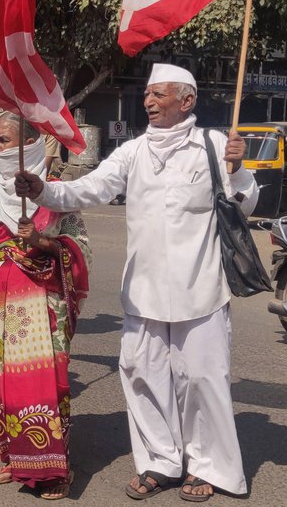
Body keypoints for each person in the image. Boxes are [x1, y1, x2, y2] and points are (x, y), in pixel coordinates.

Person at [15, 64, 257, 502]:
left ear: (186, 101)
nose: (148, 101)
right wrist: (42, 191)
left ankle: (207, 467)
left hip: (200, 288)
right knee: (141, 374)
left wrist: (238, 170)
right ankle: (160, 462)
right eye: (147, 94)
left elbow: (247, 202)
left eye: (158, 94)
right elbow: (88, 190)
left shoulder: (214, 145)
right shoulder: (134, 151)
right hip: (143, 291)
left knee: (201, 378)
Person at [0, 112, 90, 500]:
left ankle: (54, 472)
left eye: (3, 141)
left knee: (40, 385)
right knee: (0, 384)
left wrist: (41, 242)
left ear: (28, 146)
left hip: (40, 305)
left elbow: (79, 247)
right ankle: (12, 458)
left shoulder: (55, 192)